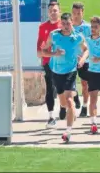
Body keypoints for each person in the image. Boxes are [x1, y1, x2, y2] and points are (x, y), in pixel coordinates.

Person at [41, 13, 89, 143]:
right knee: (63, 103)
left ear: (72, 23)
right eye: (64, 24)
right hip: (56, 72)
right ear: (60, 24)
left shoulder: (77, 37)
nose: (66, 26)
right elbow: (43, 51)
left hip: (71, 71)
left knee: (69, 101)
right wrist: (54, 53)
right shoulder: (54, 35)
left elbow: (86, 50)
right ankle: (64, 108)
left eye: (68, 23)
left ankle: (68, 131)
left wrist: (83, 59)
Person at [36, 2, 61, 129]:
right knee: (50, 88)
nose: (52, 12)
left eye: (55, 10)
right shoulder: (43, 27)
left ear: (59, 12)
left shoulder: (65, 25)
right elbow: (39, 51)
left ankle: (64, 107)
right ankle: (51, 116)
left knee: (63, 88)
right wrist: (52, 54)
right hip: (49, 62)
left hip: (64, 63)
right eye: (50, 10)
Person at [72, 2, 92, 118]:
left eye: (78, 13)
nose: (76, 16)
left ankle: (84, 106)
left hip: (85, 60)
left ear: (82, 13)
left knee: (85, 84)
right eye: (74, 13)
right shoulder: (68, 26)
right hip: (71, 60)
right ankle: (75, 97)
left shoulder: (88, 28)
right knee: (70, 84)